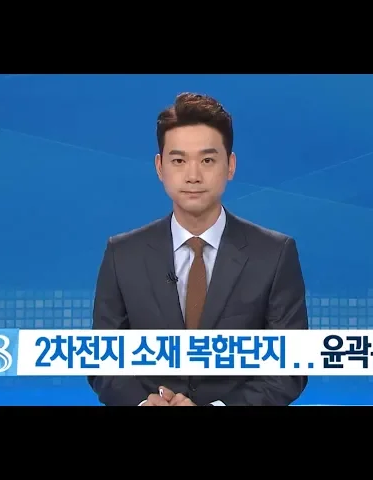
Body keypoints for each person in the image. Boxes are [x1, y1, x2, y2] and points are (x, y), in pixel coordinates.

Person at [88, 92, 309, 406]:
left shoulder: (274, 254)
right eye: (179, 161)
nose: (193, 176)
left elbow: (290, 367)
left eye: (207, 160)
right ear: (160, 167)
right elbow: (102, 360)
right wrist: (143, 403)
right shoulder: (122, 254)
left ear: (230, 166)